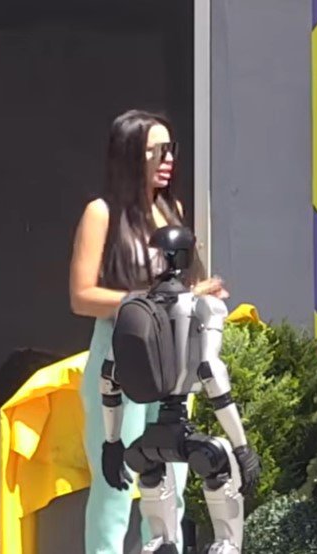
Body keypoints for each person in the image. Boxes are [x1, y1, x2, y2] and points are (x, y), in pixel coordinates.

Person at [69, 110, 226, 554]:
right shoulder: (101, 213)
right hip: (122, 351)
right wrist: (149, 302)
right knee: (115, 480)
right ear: (129, 155)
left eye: (170, 149)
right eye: (155, 150)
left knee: (172, 474)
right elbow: (82, 296)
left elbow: (182, 287)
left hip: (173, 354)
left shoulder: (172, 210)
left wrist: (200, 293)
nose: (167, 159)